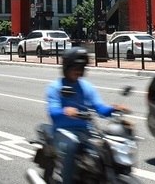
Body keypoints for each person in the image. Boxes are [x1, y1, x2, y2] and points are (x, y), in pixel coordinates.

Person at [46, 47, 128, 184]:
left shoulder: (86, 87)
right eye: (75, 67)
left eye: (81, 68)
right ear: (66, 68)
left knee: (104, 151)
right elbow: (53, 112)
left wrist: (114, 109)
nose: (78, 71)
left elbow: (99, 108)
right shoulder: (56, 87)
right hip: (62, 132)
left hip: (85, 132)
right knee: (72, 145)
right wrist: (65, 111)